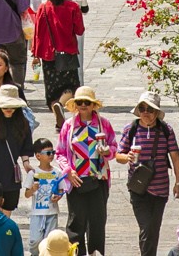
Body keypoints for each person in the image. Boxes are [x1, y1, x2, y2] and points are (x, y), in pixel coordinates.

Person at [117, 92, 179, 256]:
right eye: (142, 108)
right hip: (138, 188)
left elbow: (175, 157)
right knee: (146, 228)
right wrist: (127, 157)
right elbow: (118, 155)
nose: (146, 112)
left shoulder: (166, 130)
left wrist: (178, 182)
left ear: (156, 112)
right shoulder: (130, 129)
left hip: (160, 189)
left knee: (153, 229)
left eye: (150, 109)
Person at [57, 86, 117, 255]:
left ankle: (95, 252)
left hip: (98, 179)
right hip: (77, 180)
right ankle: (76, 253)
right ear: (75, 105)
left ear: (93, 105)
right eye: (79, 102)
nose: (83, 105)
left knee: (97, 222)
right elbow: (60, 152)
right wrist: (68, 171)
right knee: (76, 222)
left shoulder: (103, 124)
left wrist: (107, 152)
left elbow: (114, 146)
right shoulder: (69, 126)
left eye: (87, 102)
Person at [30, 0, 84, 122]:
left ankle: (58, 118)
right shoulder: (73, 7)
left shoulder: (43, 8)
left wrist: (35, 54)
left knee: (52, 90)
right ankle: (61, 105)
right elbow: (79, 30)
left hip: (48, 55)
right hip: (68, 53)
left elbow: (38, 32)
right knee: (71, 87)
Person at [24, 139, 68, 253]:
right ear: (38, 156)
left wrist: (58, 196)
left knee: (50, 240)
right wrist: (33, 189)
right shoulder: (35, 173)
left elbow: (61, 189)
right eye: (48, 153)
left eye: (52, 152)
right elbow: (27, 194)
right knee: (35, 240)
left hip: (51, 212)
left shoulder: (57, 172)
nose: (51, 155)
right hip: (37, 212)